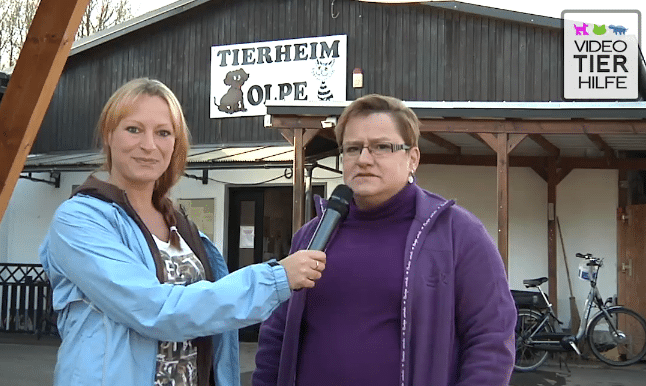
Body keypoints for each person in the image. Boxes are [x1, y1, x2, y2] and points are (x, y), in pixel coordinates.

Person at [38, 78, 327, 386]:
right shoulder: (79, 220)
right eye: (133, 129)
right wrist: (274, 279)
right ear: (109, 135)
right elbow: (155, 310)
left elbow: (211, 327)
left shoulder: (181, 225)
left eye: (163, 133)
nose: (149, 145)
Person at [252, 94, 517, 386]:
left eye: (381, 147)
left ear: (412, 158)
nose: (364, 159)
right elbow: (276, 333)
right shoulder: (312, 236)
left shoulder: (457, 234)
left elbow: (491, 339)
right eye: (353, 148)